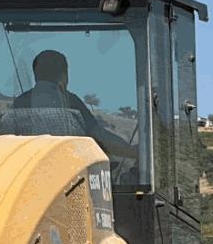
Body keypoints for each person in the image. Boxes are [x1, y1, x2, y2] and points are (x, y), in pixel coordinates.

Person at [9, 50, 137, 163]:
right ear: (64, 76)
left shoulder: (20, 103)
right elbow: (99, 136)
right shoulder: (70, 102)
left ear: (35, 75)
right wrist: (132, 152)